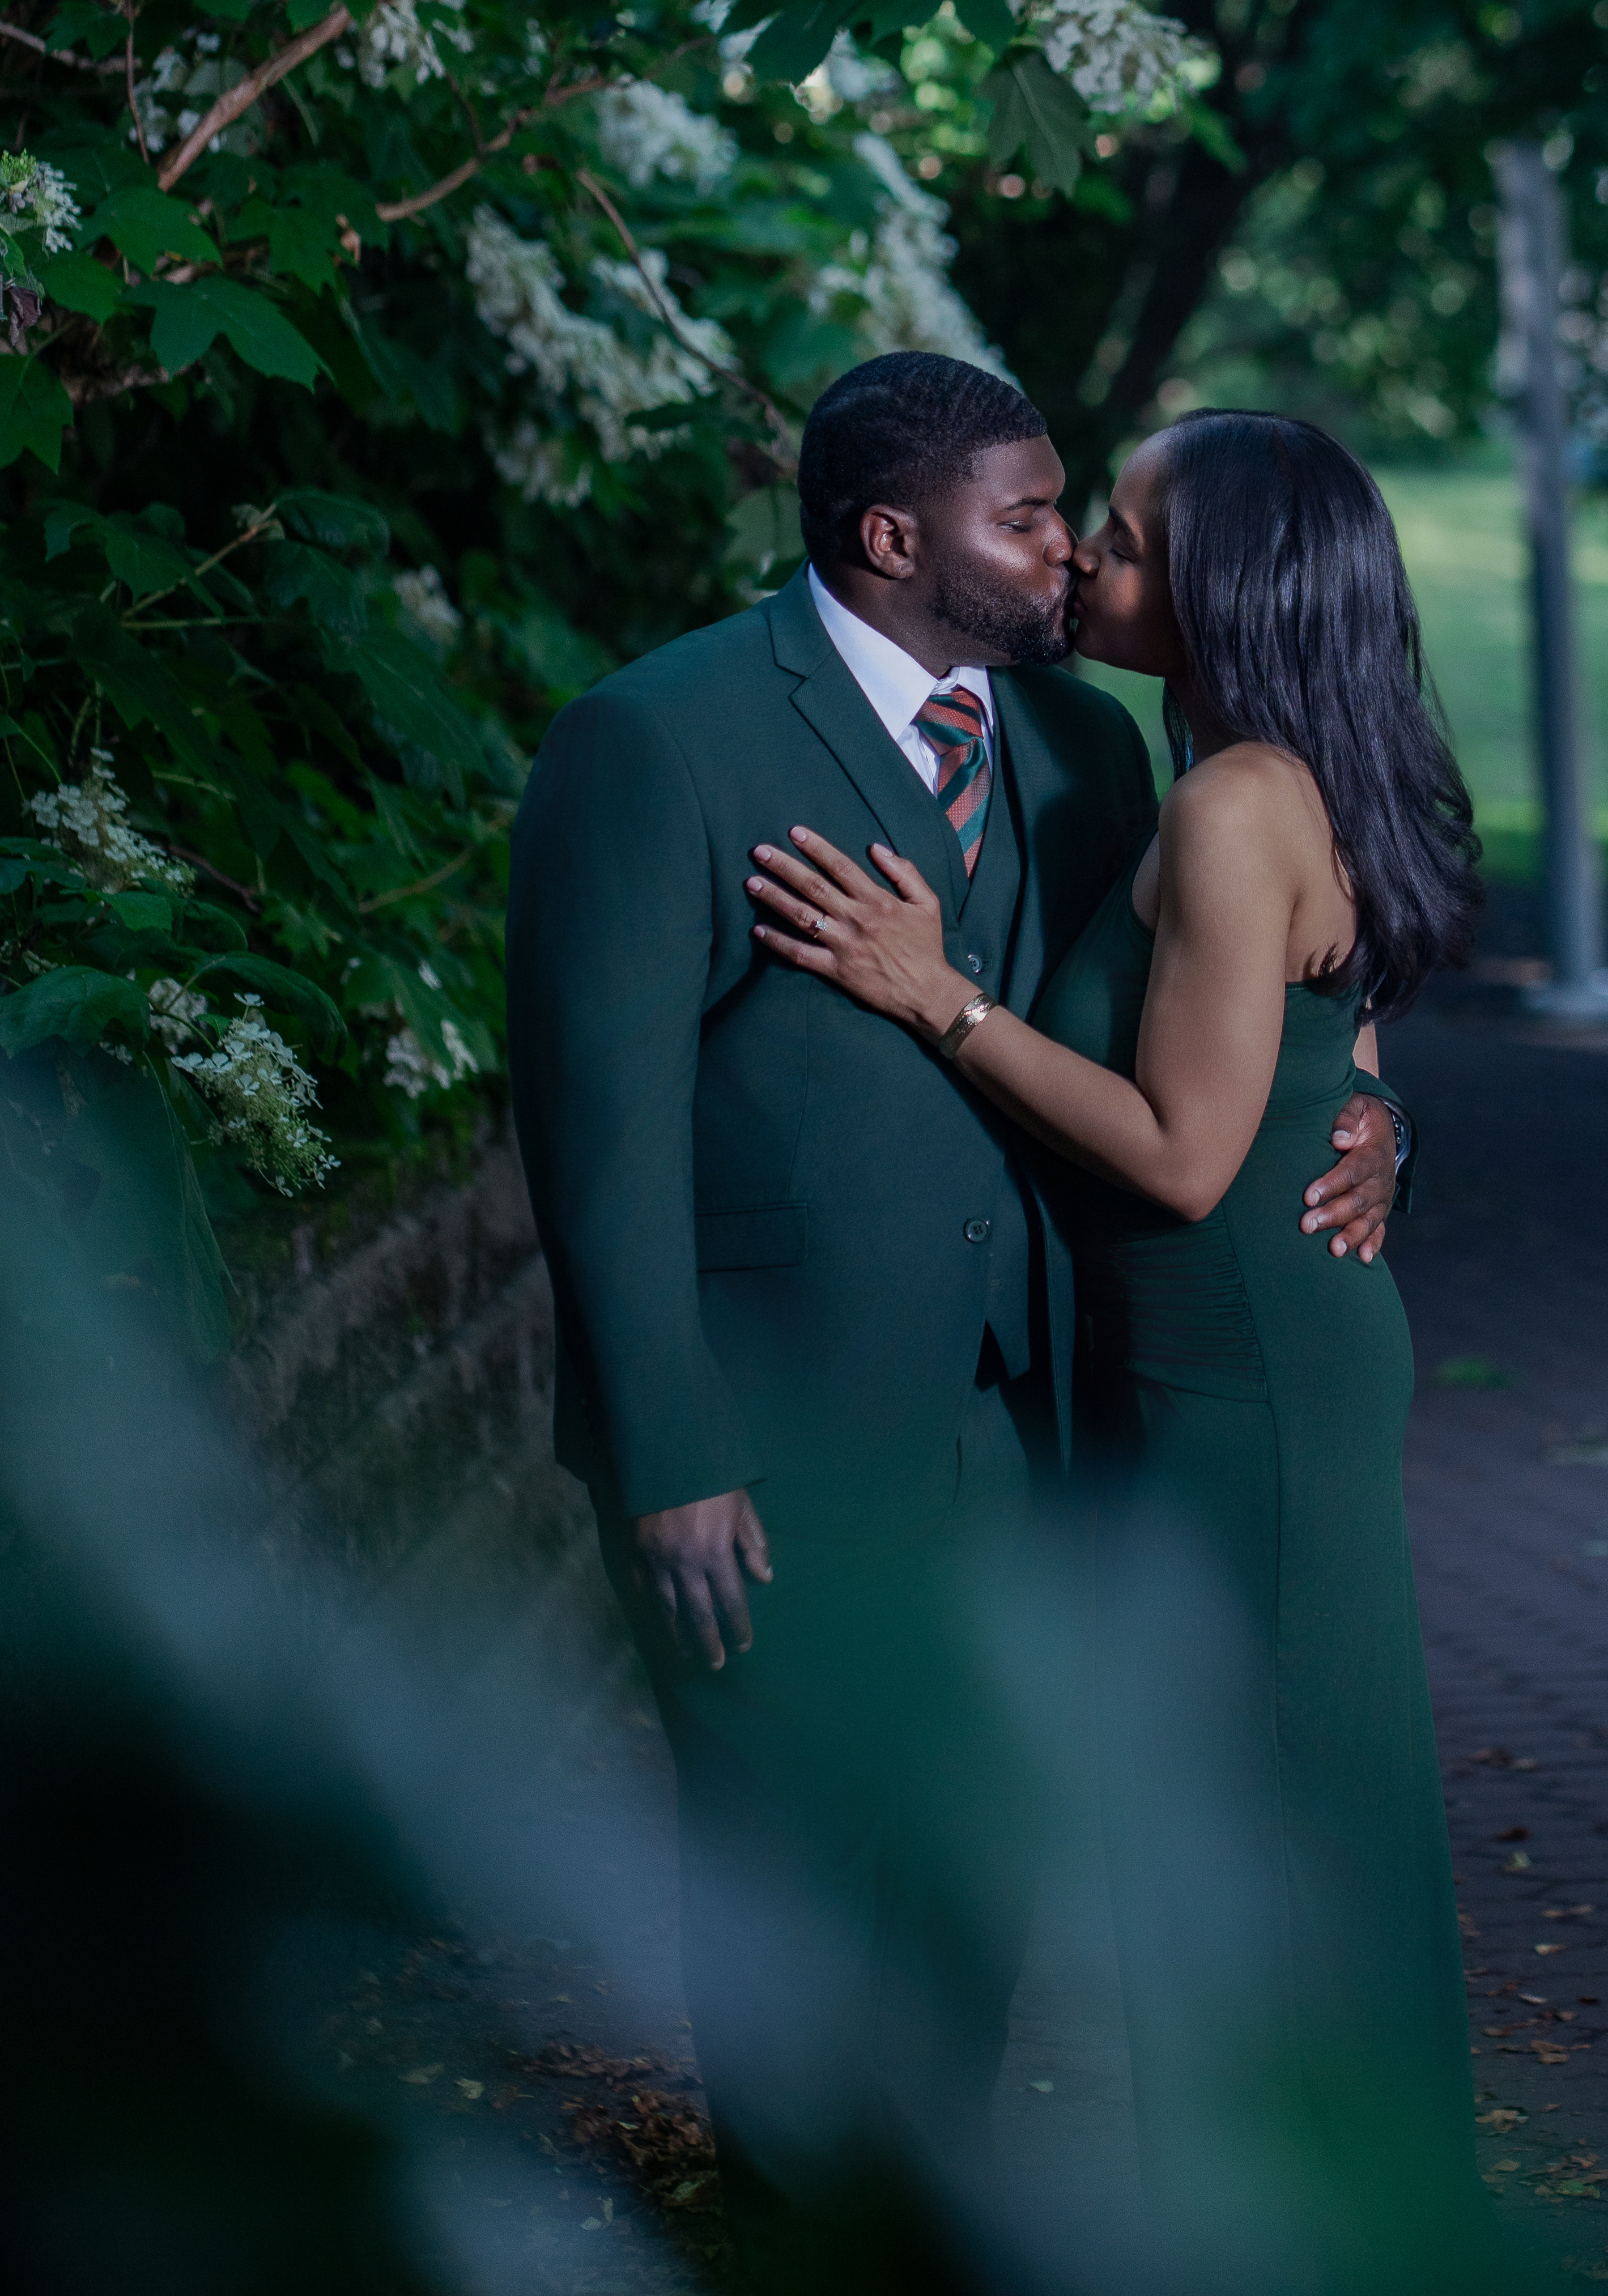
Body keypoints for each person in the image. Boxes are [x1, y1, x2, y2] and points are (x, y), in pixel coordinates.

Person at [505, 359, 1407, 2294]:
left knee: (976, 1887)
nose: (1068, 547)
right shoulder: (656, 740)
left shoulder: (1092, 748)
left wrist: (1370, 1117)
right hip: (768, 1435)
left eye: (1086, 516)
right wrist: (667, 1458)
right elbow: (592, 1132)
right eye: (1031, 516)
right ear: (893, 537)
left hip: (1030, 1423)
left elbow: (1232, 1015)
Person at [745, 409, 1498, 2296]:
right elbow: (1344, 1043)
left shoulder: (1234, 801)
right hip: (1251, 1356)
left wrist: (940, 995)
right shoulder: (1266, 768)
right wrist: (1381, 1128)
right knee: (1286, 1814)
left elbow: (1180, 1153)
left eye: (1133, 545)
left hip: (1235, 1373)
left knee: (1262, 1834)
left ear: (1231, 589)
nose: (1086, 564)